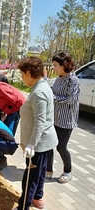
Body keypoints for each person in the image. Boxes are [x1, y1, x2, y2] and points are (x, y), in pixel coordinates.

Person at [13, 56, 58, 210]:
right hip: (43, 142)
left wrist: (31, 144)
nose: (22, 78)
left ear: (28, 73)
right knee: (39, 173)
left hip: (38, 144)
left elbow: (40, 121)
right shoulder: (41, 87)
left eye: (22, 74)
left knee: (30, 177)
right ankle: (38, 198)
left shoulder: (39, 92)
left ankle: (23, 206)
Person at [46, 52, 80, 183]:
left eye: (55, 65)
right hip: (55, 117)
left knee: (61, 147)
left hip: (66, 120)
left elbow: (71, 99)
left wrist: (52, 97)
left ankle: (67, 171)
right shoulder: (59, 77)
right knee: (49, 144)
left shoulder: (73, 80)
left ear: (64, 65)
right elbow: (54, 92)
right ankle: (48, 170)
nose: (54, 67)